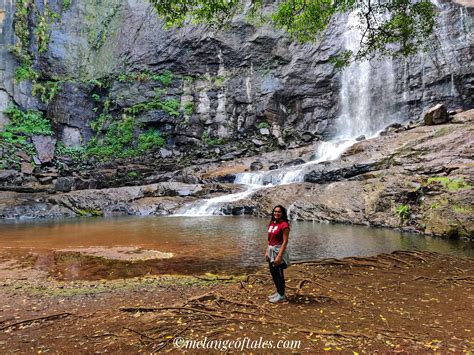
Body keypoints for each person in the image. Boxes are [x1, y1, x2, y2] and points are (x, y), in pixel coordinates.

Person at [265, 205, 290, 303]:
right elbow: (269, 240)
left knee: (279, 274)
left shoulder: (284, 225)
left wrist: (279, 256)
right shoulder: (272, 223)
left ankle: (282, 295)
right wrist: (267, 251)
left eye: (279, 212)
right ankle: (278, 292)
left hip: (278, 251)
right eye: (275, 211)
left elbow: (285, 241)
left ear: (282, 213)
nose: (276, 213)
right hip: (271, 250)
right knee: (273, 272)